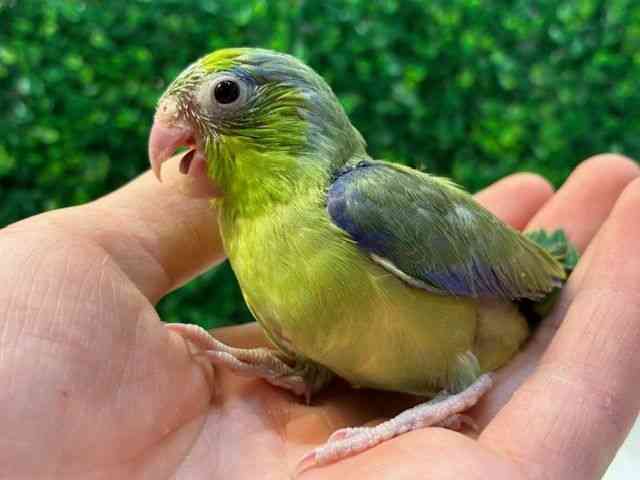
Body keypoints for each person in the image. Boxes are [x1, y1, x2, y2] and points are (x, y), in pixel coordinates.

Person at [1, 153, 639, 480]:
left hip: (493, 325)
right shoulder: (241, 227)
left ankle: (454, 391)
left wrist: (435, 407)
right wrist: (291, 366)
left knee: (463, 378)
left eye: (225, 95)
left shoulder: (360, 200)